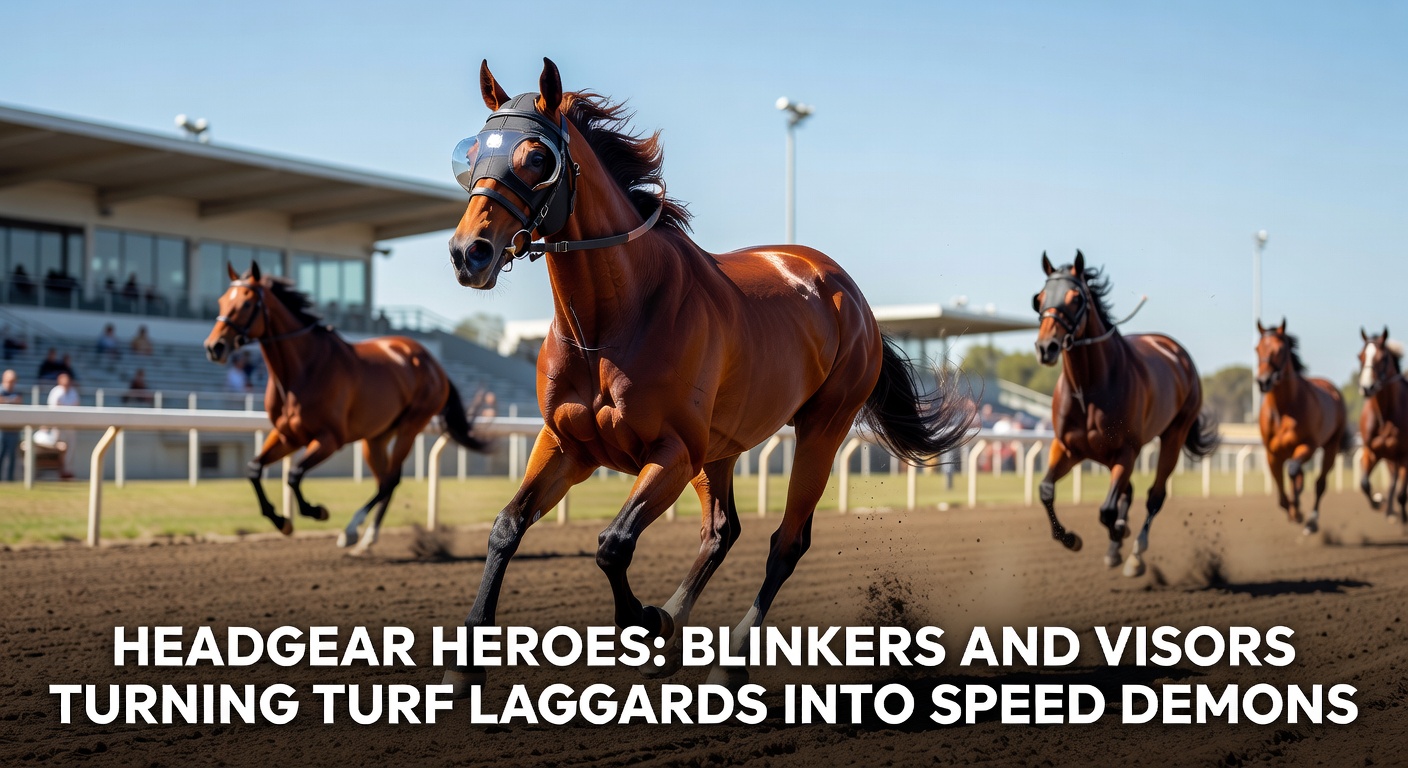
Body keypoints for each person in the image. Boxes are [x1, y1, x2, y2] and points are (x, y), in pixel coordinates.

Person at [44, 372, 79, 479]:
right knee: (59, 449)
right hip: (58, 426)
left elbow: (76, 405)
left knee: (70, 450)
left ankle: (67, 471)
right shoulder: (56, 392)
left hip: (70, 426)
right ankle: (59, 471)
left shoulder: (73, 392)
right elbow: (54, 408)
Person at [0, 369, 21, 481]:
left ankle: (10, 480)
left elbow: (19, 402)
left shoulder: (17, 392)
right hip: (1, 429)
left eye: (13, 381)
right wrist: (11, 401)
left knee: (12, 457)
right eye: (9, 381)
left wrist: (6, 401)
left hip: (13, 430)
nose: (11, 383)